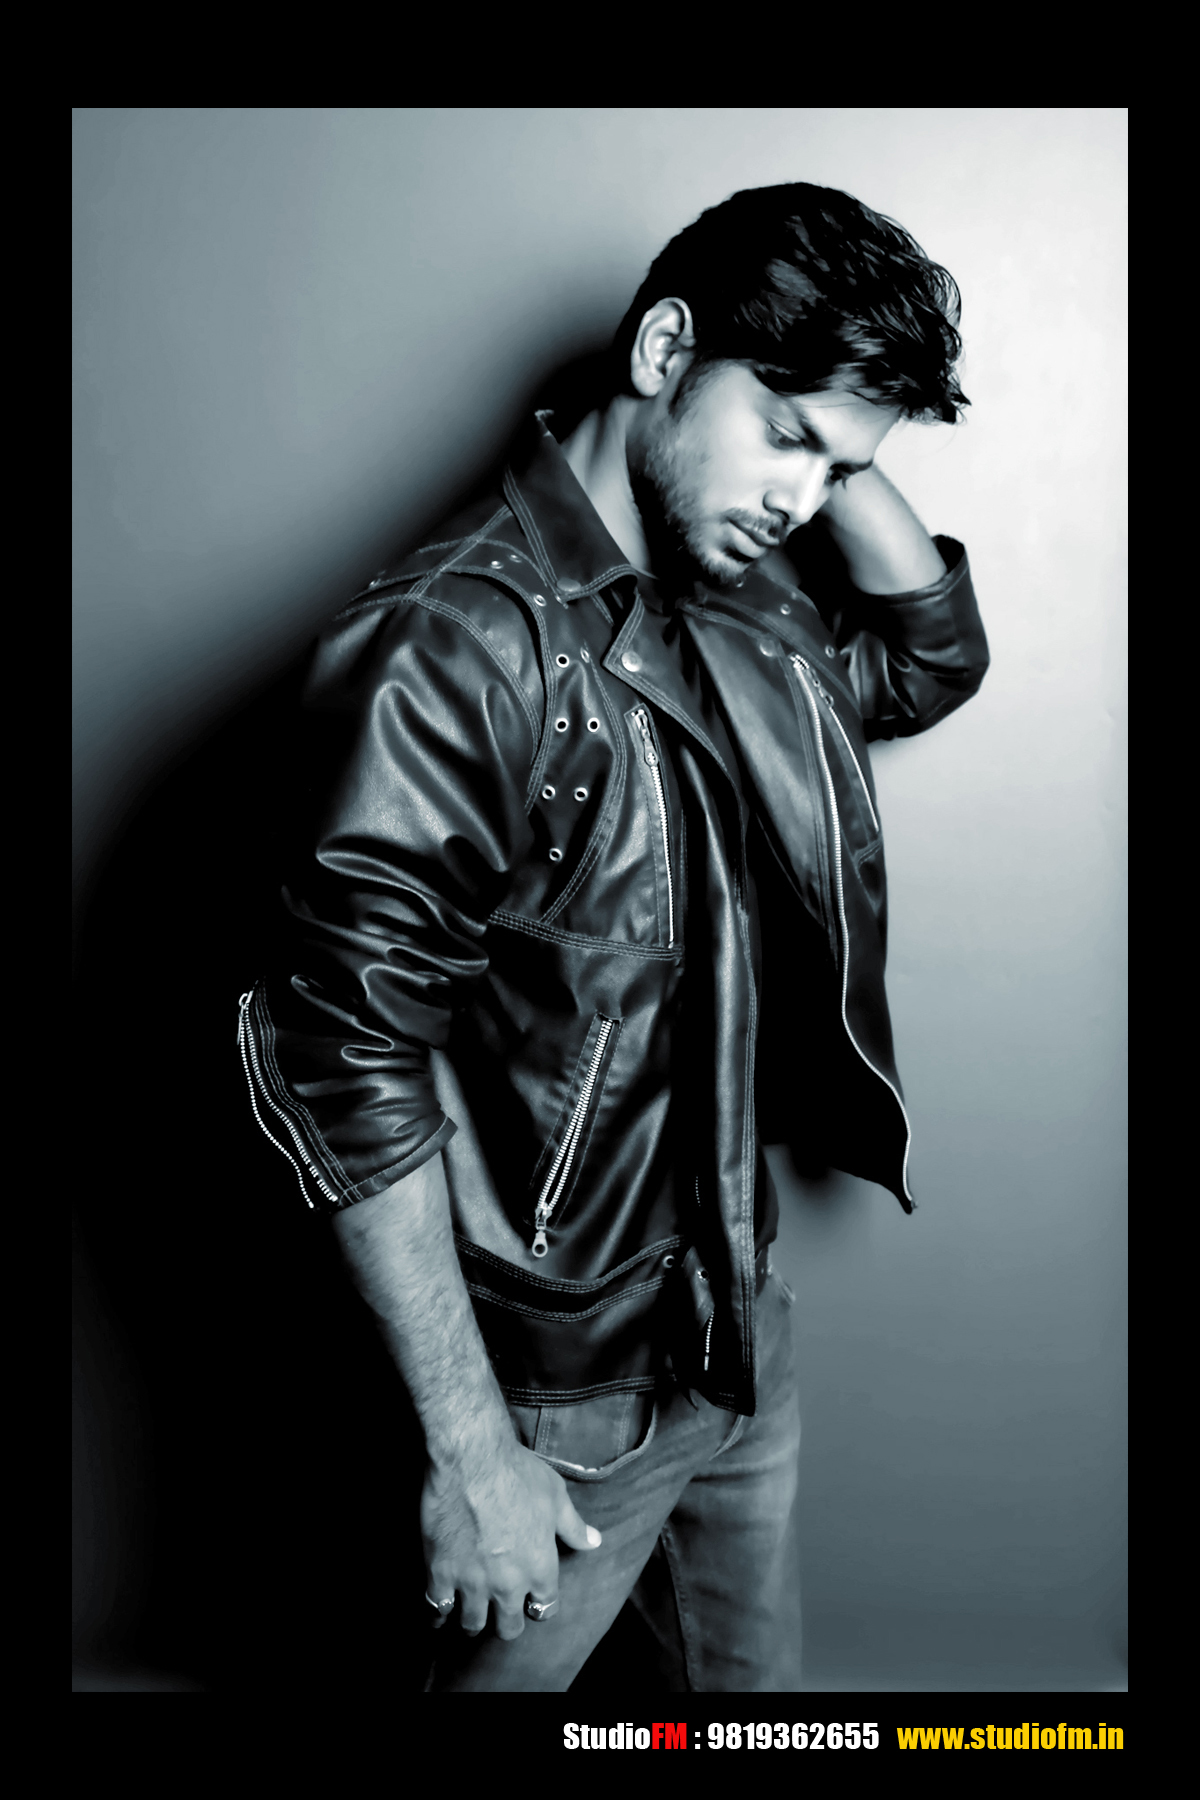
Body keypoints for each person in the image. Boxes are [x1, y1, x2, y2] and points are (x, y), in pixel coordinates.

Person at [237, 181, 989, 1691]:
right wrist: (471, 1451)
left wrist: (831, 431)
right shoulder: (455, 646)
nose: (803, 502)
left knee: (749, 1709)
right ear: (661, 351)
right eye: (784, 437)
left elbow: (929, 655)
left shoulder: (741, 593)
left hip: (733, 1317)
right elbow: (338, 1062)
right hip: (555, 1390)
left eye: (840, 473)